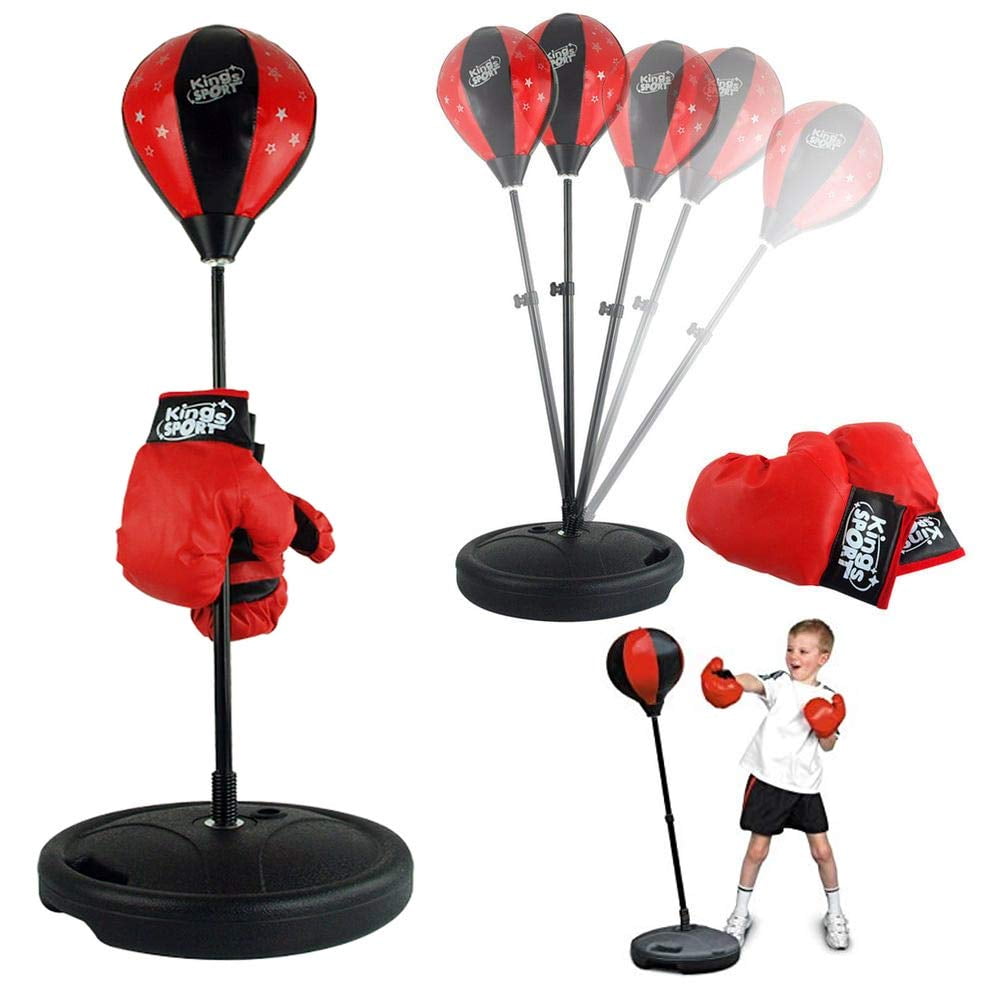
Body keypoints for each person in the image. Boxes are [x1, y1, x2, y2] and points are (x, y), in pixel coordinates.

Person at [701, 619, 848, 950]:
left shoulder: (830, 698)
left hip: (805, 786)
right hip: (768, 780)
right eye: (790, 649)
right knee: (757, 850)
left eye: (803, 651)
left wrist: (825, 726)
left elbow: (829, 746)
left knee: (822, 851)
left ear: (823, 657)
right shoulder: (781, 683)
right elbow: (754, 682)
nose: (794, 656)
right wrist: (729, 681)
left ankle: (835, 913)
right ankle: (740, 914)